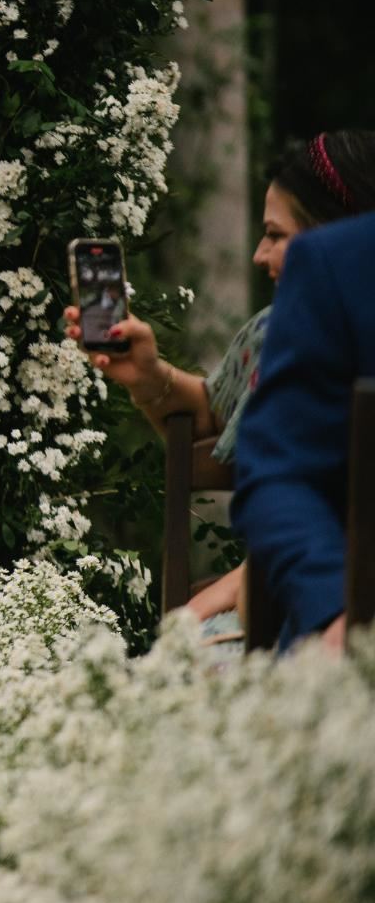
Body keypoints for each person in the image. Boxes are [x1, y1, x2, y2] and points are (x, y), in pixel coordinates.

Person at [61, 131, 375, 634]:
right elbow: (213, 414)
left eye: (275, 235)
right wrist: (149, 375)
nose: (257, 254)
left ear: (334, 239)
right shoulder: (270, 332)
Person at [231, 208, 375, 651]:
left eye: (275, 234)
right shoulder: (341, 263)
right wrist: (336, 610)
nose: (259, 255)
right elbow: (277, 467)